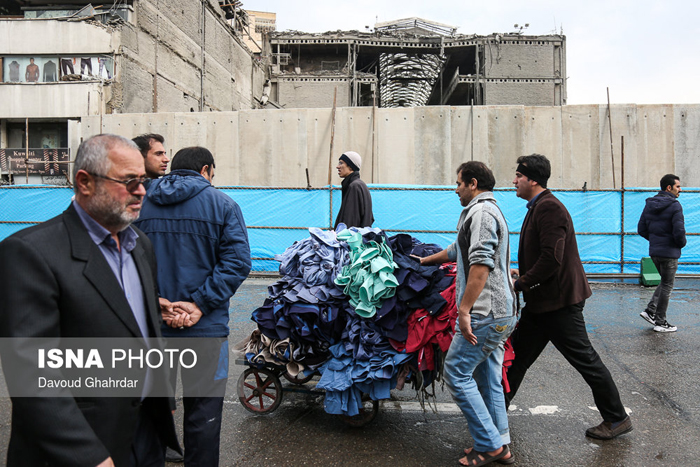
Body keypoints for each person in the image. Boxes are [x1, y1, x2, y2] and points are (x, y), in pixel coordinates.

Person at [0, 134, 179, 466]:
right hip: (80, 446)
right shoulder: (30, 253)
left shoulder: (140, 245)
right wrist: (89, 455)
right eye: (129, 182)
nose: (142, 191)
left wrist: (162, 396)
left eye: (143, 180)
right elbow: (32, 374)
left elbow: (139, 329)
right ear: (84, 182)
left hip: (146, 436)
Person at [134, 147, 251, 467]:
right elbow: (237, 263)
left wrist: (152, 299)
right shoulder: (223, 204)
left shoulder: (140, 201)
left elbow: (122, 254)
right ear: (206, 170)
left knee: (150, 414)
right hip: (205, 331)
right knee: (204, 414)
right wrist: (200, 304)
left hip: (150, 327)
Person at [506, 153, 632, 440]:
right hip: (542, 303)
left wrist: (521, 283)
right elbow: (544, 254)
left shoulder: (550, 208)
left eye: (518, 176)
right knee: (517, 356)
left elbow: (552, 258)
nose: (514, 180)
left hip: (558, 303)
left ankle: (616, 418)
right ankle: (496, 410)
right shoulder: (539, 206)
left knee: (585, 359)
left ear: (532, 179)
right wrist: (521, 271)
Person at [419, 161, 517, 466]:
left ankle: (489, 445)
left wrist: (463, 310)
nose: (456, 188)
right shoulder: (483, 212)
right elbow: (456, 250)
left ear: (473, 183)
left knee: (456, 373)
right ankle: (499, 441)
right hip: (500, 314)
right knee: (488, 378)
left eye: (459, 183)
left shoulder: (482, 213)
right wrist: (423, 262)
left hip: (486, 314)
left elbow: (480, 265)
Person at [638, 174, 686, 333]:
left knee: (664, 282)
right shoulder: (675, 205)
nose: (680, 189)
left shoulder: (649, 204)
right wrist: (681, 244)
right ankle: (661, 322)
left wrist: (655, 241)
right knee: (667, 285)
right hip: (669, 253)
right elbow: (679, 232)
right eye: (678, 186)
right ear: (669, 187)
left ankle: (650, 311)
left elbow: (641, 229)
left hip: (655, 252)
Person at [334, 151, 374, 229]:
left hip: (351, 238)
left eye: (341, 163)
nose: (337, 166)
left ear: (351, 166)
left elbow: (350, 220)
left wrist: (342, 236)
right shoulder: (359, 185)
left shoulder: (354, 187)